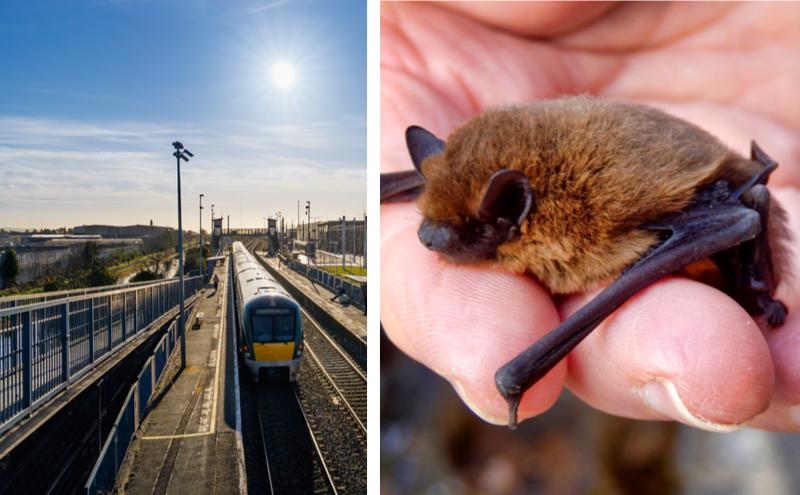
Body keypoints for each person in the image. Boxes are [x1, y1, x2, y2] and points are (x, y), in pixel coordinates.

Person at [381, 2, 800, 431]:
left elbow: (745, 216)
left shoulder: (588, 224)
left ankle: (756, 293)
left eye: (467, 227)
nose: (431, 237)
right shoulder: (493, 180)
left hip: (712, 200)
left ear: (513, 218)